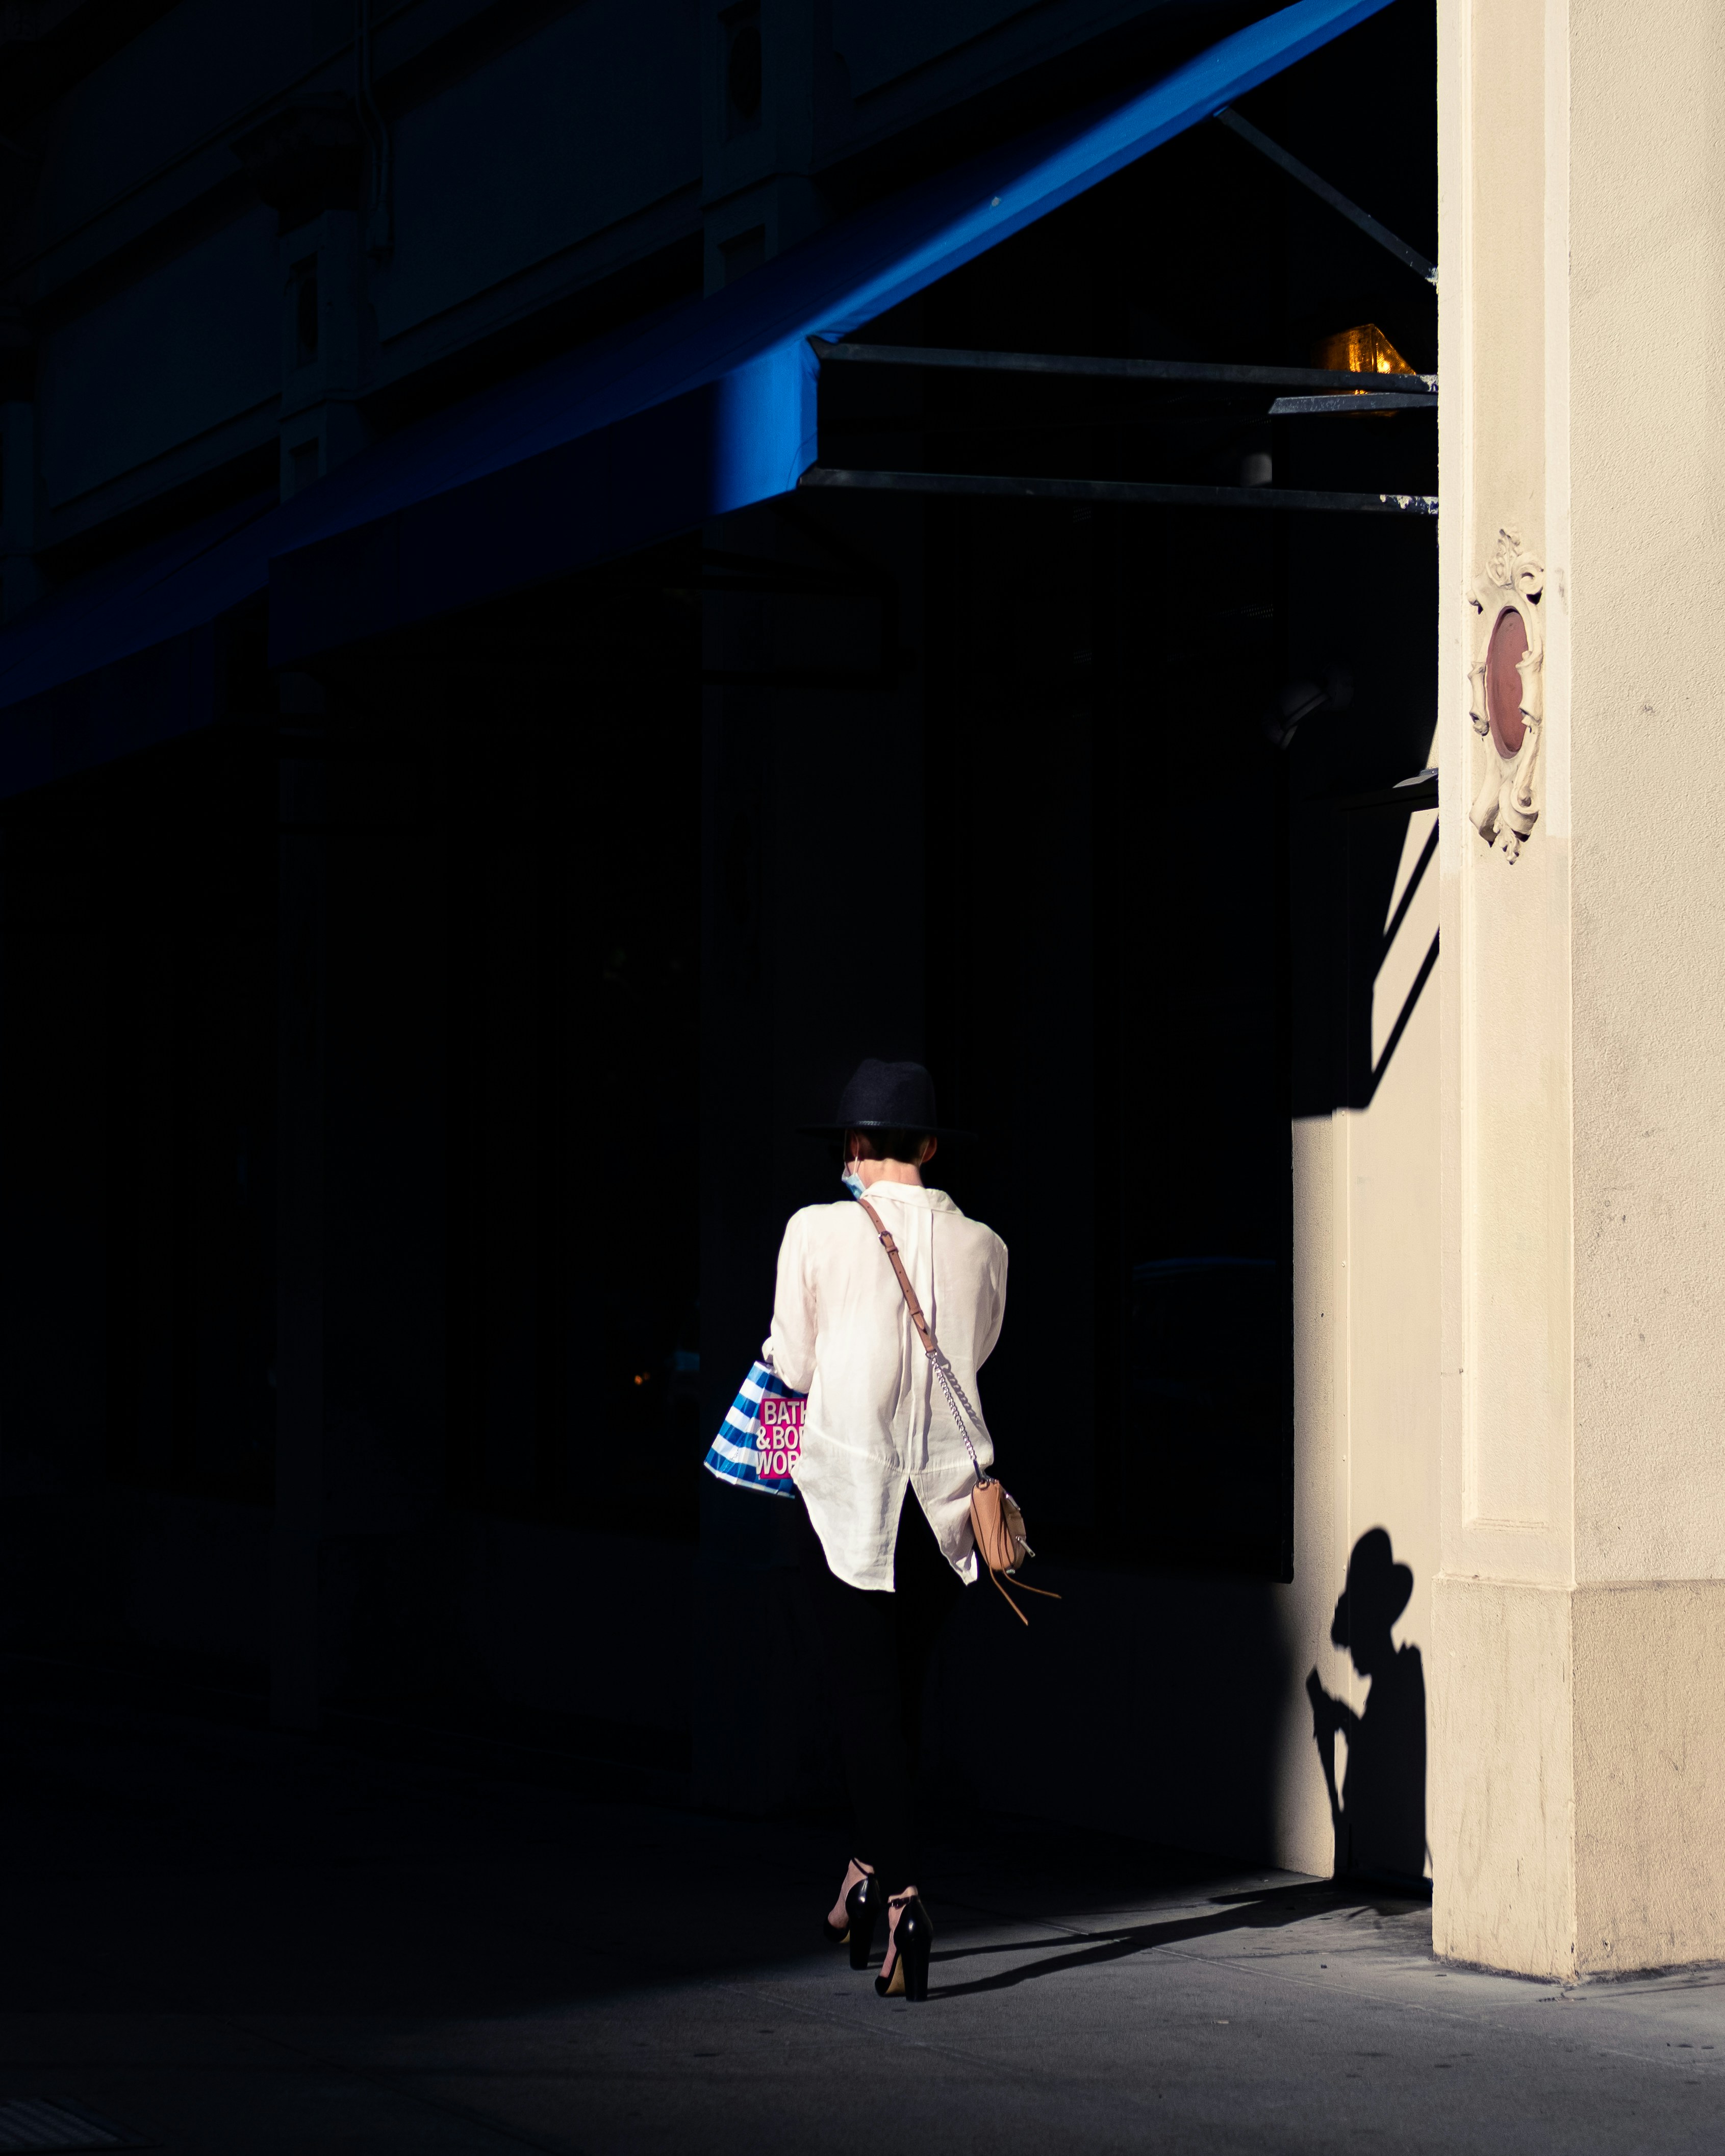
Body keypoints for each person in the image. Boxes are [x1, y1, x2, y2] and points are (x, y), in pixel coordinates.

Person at [766, 1057, 1008, 2003]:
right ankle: (862, 1878)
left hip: (847, 1497)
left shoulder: (816, 1230)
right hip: (947, 1507)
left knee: (862, 1704)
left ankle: (903, 1896)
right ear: (933, 1148)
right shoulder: (985, 1245)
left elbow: (791, 1359)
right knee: (898, 1699)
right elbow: (976, 1353)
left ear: (855, 1150)